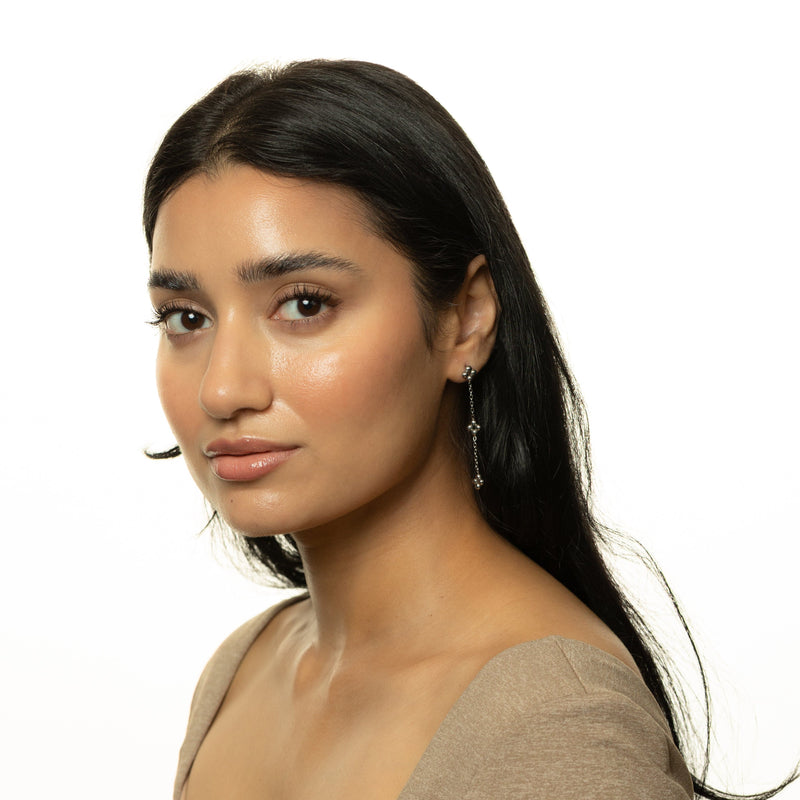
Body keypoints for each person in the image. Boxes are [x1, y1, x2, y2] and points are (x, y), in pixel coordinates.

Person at [144, 60, 796, 800]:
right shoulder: (244, 668)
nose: (223, 387)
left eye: (303, 305)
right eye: (185, 318)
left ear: (466, 319)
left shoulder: (554, 726)